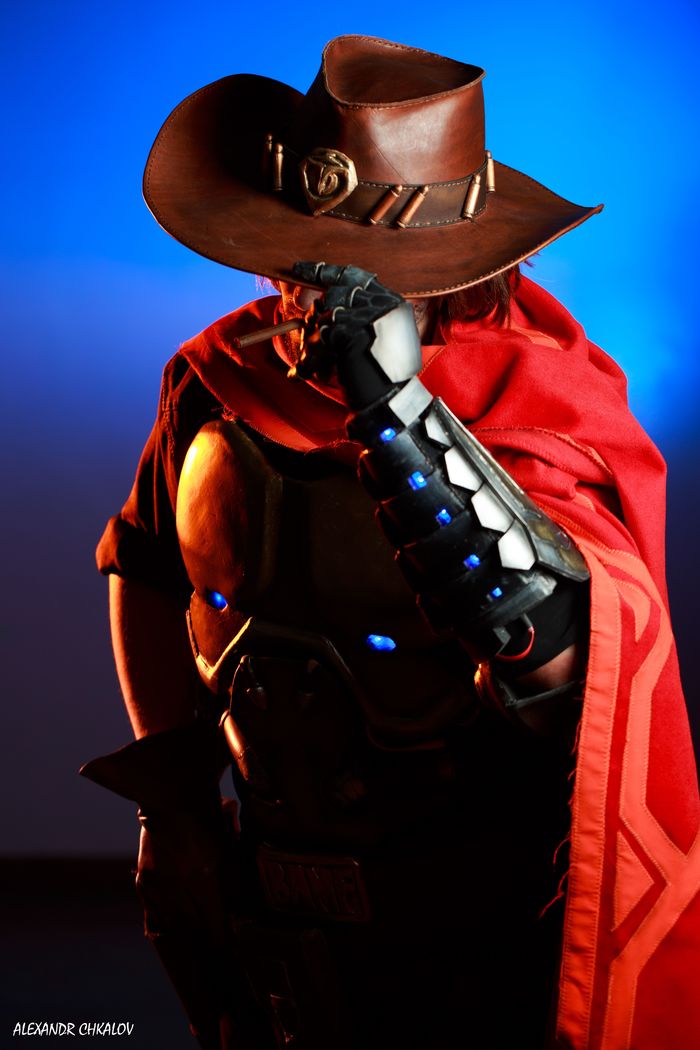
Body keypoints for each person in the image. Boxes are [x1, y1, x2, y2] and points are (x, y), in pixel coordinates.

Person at [82, 35, 700, 1050]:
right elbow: (147, 567)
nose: (299, 290)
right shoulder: (216, 374)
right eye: (292, 251)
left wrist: (394, 409)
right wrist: (174, 801)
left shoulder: (540, 399)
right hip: (272, 871)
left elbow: (562, 660)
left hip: (473, 898)